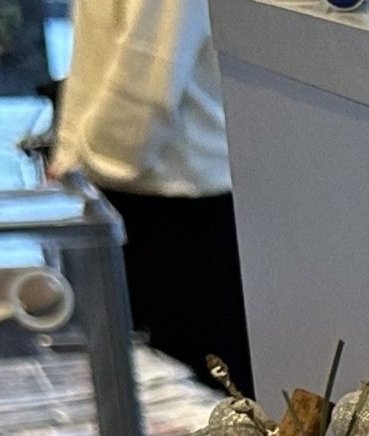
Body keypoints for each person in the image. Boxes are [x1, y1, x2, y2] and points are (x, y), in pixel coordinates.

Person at [54, 0, 253, 389]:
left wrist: (86, 160)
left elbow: (149, 67)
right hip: (146, 186)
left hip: (172, 195)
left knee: (197, 390)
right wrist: (71, 156)